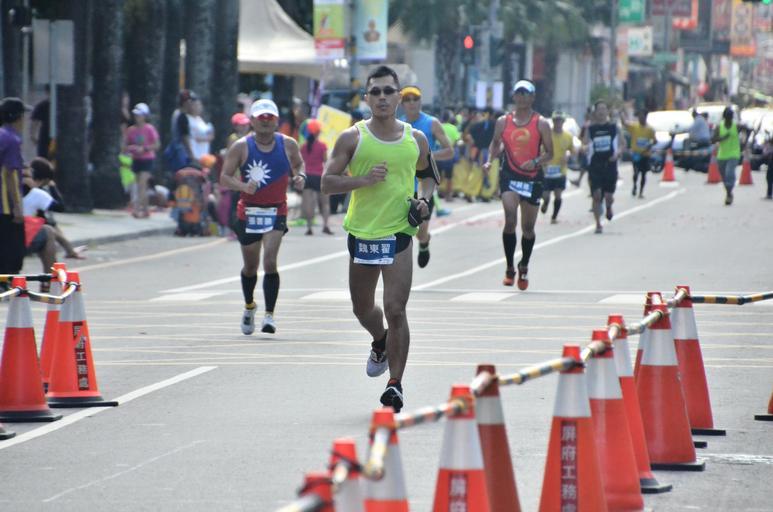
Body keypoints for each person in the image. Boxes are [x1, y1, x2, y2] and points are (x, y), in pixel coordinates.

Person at [321, 65, 435, 412]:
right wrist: (364, 180)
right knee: (362, 308)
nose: (382, 97)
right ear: (366, 98)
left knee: (395, 308)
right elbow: (326, 182)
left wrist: (423, 202)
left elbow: (429, 176)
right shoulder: (352, 138)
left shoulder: (416, 139)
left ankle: (395, 384)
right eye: (376, 92)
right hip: (363, 232)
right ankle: (379, 340)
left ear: (399, 97)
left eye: (389, 91)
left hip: (399, 231)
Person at [220, 99, 306, 335]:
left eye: (270, 117)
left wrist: (300, 177)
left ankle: (269, 315)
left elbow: (299, 164)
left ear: (277, 121)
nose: (266, 122)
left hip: (276, 210)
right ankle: (249, 306)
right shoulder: (241, 147)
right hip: (249, 210)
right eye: (261, 118)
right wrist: (242, 186)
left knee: (269, 261)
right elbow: (224, 177)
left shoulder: (287, 144)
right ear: (252, 121)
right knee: (251, 266)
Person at [484, 80, 553, 289]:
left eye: (526, 94)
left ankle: (524, 265)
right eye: (518, 93)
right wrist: (490, 160)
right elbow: (495, 143)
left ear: (533, 97)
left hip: (532, 178)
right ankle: (509, 267)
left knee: (528, 228)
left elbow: (550, 153)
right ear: (513, 96)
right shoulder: (503, 121)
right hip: (510, 176)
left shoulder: (541, 123)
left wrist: (536, 161)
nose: (522, 98)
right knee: (510, 220)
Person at [399, 86, 452, 268]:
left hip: (424, 186)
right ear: (402, 104)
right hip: (403, 186)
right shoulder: (398, 125)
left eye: (415, 99)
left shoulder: (432, 123)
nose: (412, 103)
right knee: (403, 231)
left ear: (421, 101)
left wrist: (425, 156)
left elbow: (449, 151)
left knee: (420, 232)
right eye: (407, 99)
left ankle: (424, 241)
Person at [25, 158, 85, 260]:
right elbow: (60, 207)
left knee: (51, 227)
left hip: (19, 230)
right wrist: (53, 187)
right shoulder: (37, 194)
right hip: (27, 233)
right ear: (42, 180)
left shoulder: (18, 190)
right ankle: (68, 254)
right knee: (50, 231)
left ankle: (69, 252)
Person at [0, 97, 30, 280]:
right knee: (12, 252)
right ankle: (8, 285)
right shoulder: (12, 139)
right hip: (5, 207)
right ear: (18, 117)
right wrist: (17, 207)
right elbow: (10, 174)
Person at [584, 100, 623, 234]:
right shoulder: (591, 129)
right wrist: (583, 148)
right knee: (596, 195)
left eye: (604, 109)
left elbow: (622, 144)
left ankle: (609, 206)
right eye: (599, 109)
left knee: (608, 196)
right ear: (595, 112)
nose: (601, 112)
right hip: (595, 165)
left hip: (610, 164)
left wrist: (618, 153)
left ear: (607, 112)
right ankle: (598, 224)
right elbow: (585, 143)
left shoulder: (614, 127)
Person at [124, 103, 160, 218]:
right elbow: (126, 145)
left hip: (147, 159)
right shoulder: (131, 130)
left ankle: (136, 209)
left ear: (145, 116)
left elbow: (157, 145)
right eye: (136, 115)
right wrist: (131, 149)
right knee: (140, 185)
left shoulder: (149, 129)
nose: (137, 117)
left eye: (139, 115)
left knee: (142, 184)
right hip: (136, 159)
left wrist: (144, 149)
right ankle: (145, 209)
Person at [541, 111, 574, 224]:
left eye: (560, 121)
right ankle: (545, 203)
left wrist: (568, 156)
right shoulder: (547, 135)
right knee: (546, 195)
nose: (558, 123)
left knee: (558, 194)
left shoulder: (568, 136)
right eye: (556, 121)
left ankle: (554, 217)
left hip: (560, 170)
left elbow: (572, 150)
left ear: (563, 122)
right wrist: (543, 161)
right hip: (547, 170)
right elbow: (540, 150)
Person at [299, 119, 332, 235]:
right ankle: (326, 225)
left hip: (307, 176)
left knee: (309, 203)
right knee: (325, 203)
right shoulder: (322, 146)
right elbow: (326, 161)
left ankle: (309, 227)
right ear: (318, 132)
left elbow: (301, 162)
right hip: (319, 176)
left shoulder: (303, 147)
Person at [713, 106, 741, 206]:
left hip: (734, 153)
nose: (729, 119)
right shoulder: (719, 126)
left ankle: (729, 194)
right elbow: (713, 139)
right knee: (724, 177)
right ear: (724, 117)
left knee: (729, 173)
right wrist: (722, 138)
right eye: (728, 117)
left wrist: (745, 143)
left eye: (731, 117)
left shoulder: (736, 126)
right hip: (722, 155)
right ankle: (729, 193)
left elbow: (747, 130)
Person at [624, 110, 656, 198]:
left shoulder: (650, 129)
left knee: (643, 174)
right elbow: (625, 124)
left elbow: (654, 141)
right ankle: (634, 186)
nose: (640, 119)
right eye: (639, 117)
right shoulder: (635, 127)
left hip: (645, 155)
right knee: (635, 172)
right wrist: (622, 115)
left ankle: (641, 192)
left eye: (642, 117)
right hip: (636, 154)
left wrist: (649, 146)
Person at [467, 107, 497, 201]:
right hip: (491, 154)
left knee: (476, 174)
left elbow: (468, 136)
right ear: (492, 115)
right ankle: (485, 195)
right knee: (490, 174)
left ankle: (470, 193)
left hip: (478, 152)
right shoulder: (495, 125)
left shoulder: (477, 124)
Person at [438, 110, 461, 201]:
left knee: (436, 176)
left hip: (438, 154)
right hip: (449, 155)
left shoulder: (438, 126)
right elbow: (457, 141)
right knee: (449, 177)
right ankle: (448, 196)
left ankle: (434, 195)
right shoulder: (453, 128)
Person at [30, 88, 51, 159]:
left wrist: (32, 135)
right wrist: (33, 135)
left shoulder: (42, 105)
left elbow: (34, 122)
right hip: (45, 137)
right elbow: (34, 121)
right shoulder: (43, 105)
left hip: (46, 137)